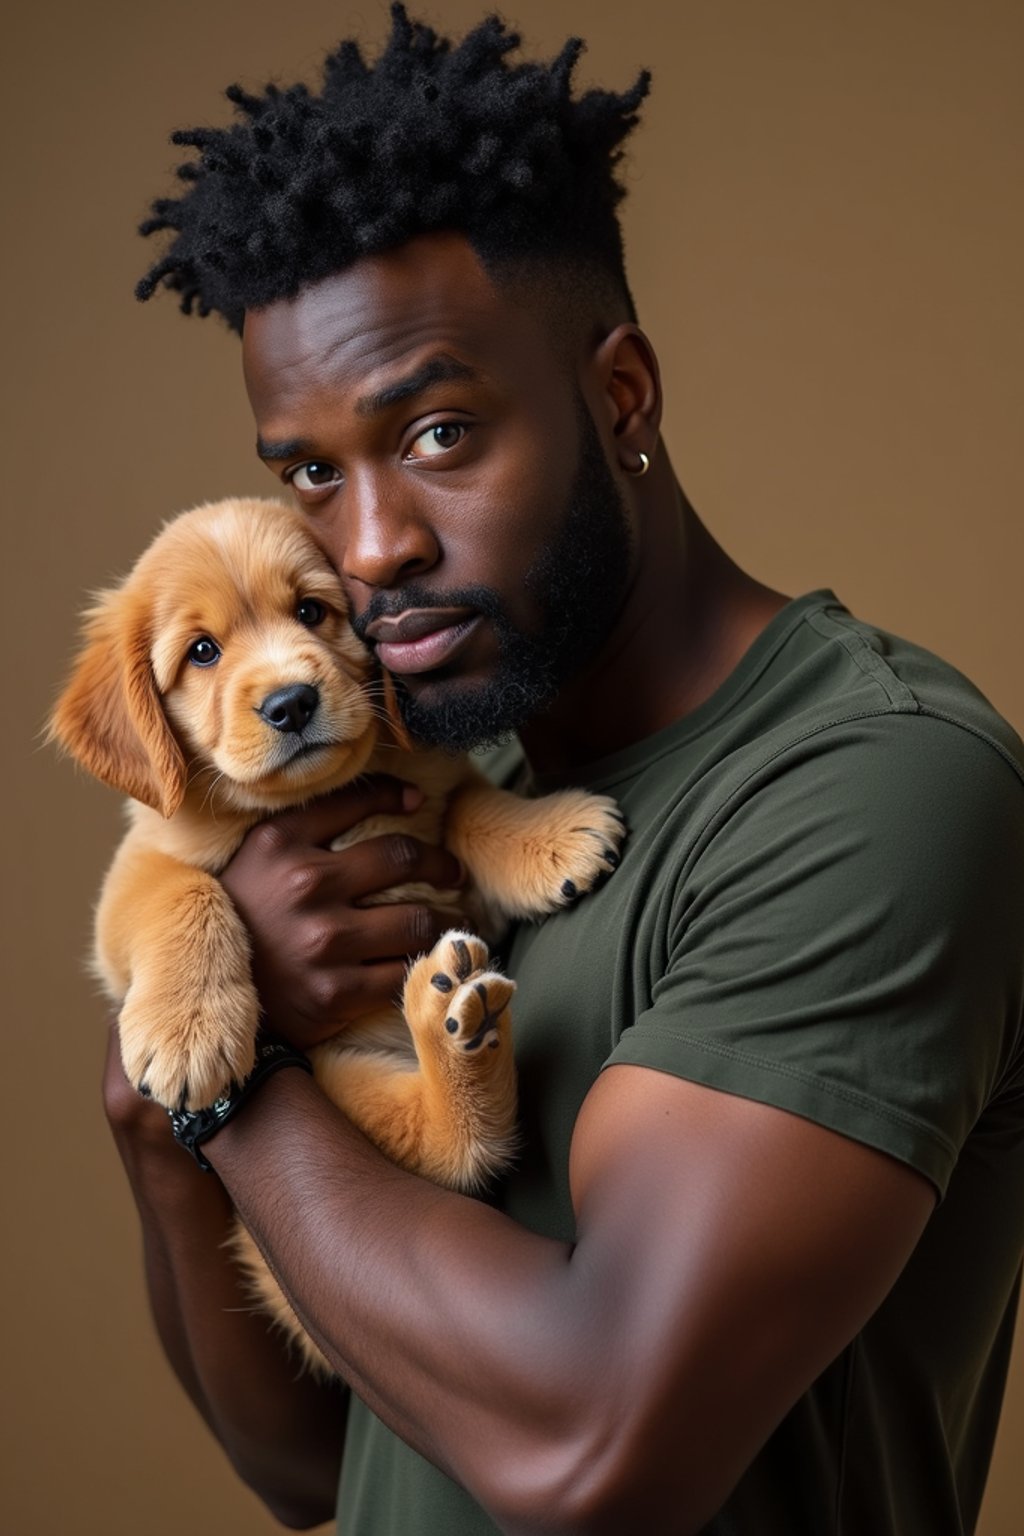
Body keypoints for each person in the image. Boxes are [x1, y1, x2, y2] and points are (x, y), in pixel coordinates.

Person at [112, 7, 1024, 1532]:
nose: (371, 544)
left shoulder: (869, 793)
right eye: (314, 473)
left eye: (444, 431)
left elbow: (595, 1455)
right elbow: (307, 1463)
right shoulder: (423, 794)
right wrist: (162, 1092)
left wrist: (240, 1086)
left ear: (620, 397)